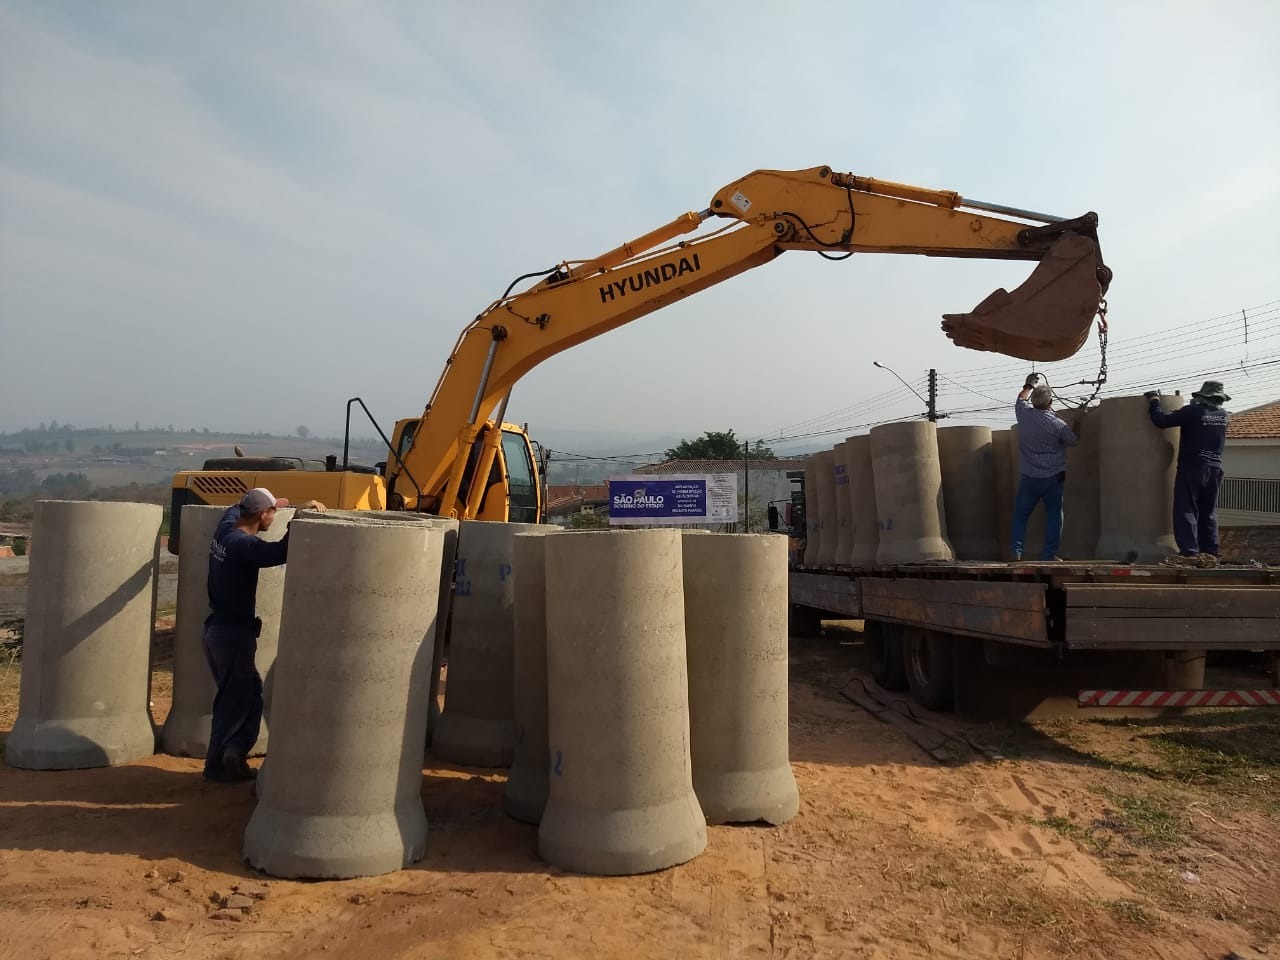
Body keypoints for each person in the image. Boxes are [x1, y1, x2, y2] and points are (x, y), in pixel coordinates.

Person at [202, 487, 325, 782]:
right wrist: (299, 519)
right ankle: (217, 767)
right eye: (274, 512)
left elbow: (235, 506)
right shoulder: (244, 546)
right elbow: (281, 551)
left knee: (249, 695)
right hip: (233, 634)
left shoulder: (224, 529)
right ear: (261, 515)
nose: (276, 516)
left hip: (218, 630)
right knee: (234, 699)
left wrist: (287, 504)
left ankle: (233, 752)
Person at [1145, 381, 1230, 565]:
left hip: (1193, 466)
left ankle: (1189, 553)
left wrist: (1154, 401)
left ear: (1202, 396)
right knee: (1208, 512)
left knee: (1186, 508)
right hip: (1215, 468)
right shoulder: (1224, 415)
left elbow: (1161, 421)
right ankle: (1211, 553)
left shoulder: (1192, 412)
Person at [1011, 375, 1078, 561]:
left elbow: (1021, 398)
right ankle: (1048, 556)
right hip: (1053, 479)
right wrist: (1080, 420)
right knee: (1054, 517)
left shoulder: (1023, 414)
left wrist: (1029, 384)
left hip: (1029, 477)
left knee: (1021, 516)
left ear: (1034, 401)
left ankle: (1016, 553)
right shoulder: (1058, 424)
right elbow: (1073, 440)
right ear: (1051, 401)